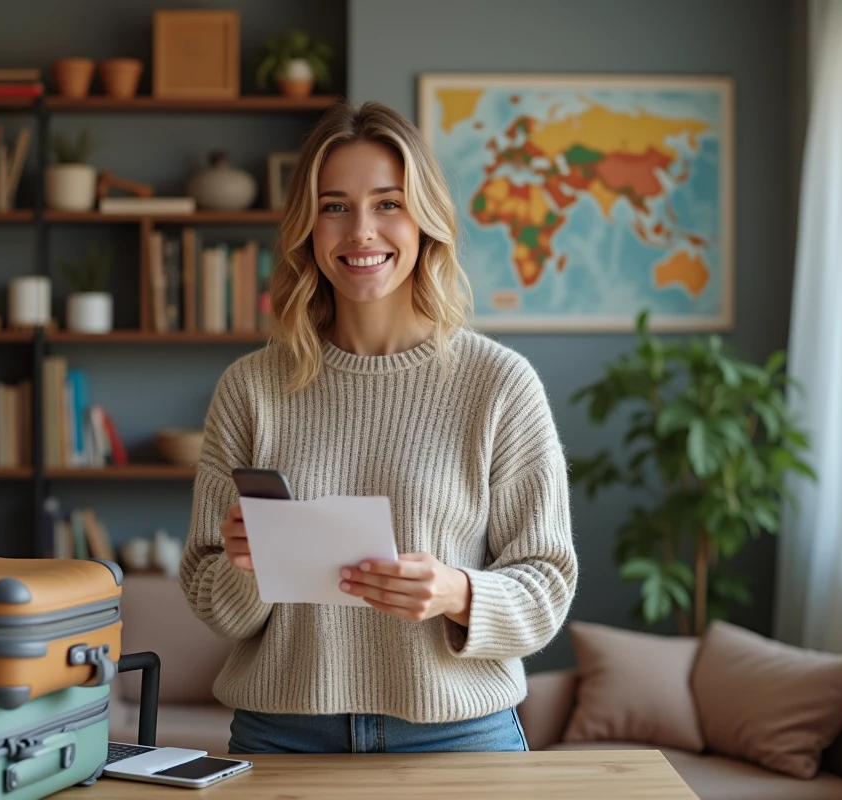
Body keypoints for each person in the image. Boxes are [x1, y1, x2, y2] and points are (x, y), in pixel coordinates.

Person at [179, 99, 577, 755]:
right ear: (308, 227)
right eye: (335, 206)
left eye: (388, 204)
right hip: (284, 734)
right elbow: (209, 593)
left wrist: (458, 591)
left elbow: (547, 585)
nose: (361, 230)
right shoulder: (251, 387)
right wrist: (249, 568)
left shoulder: (499, 384)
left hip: (459, 735)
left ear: (425, 222)